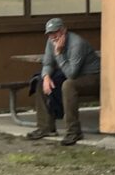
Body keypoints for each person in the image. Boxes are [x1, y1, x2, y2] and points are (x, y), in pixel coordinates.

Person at [27, 17, 100, 145]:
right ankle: (45, 127)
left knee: (68, 85)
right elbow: (48, 62)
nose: (53, 36)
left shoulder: (77, 44)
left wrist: (59, 54)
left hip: (93, 77)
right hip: (72, 74)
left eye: (56, 32)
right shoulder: (51, 41)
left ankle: (73, 131)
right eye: (50, 33)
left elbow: (71, 74)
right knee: (40, 81)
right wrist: (46, 77)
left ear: (64, 30)